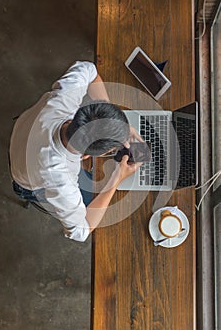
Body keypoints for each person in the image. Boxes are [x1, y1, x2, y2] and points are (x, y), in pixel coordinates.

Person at [9, 61, 143, 242]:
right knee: (91, 198)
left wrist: (108, 117)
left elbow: (90, 70)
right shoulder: (59, 180)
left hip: (23, 130)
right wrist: (116, 179)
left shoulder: (63, 99)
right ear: (88, 156)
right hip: (24, 178)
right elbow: (79, 232)